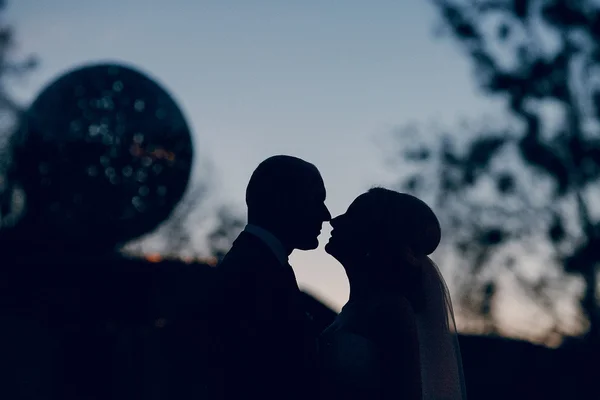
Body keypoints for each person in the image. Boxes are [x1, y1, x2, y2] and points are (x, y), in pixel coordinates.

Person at [320, 187, 467, 400]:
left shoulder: (391, 310)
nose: (335, 221)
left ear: (373, 236)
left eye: (351, 216)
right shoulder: (358, 307)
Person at [217, 155, 331, 400]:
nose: (326, 214)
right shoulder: (249, 272)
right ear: (284, 200)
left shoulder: (260, 265)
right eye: (317, 200)